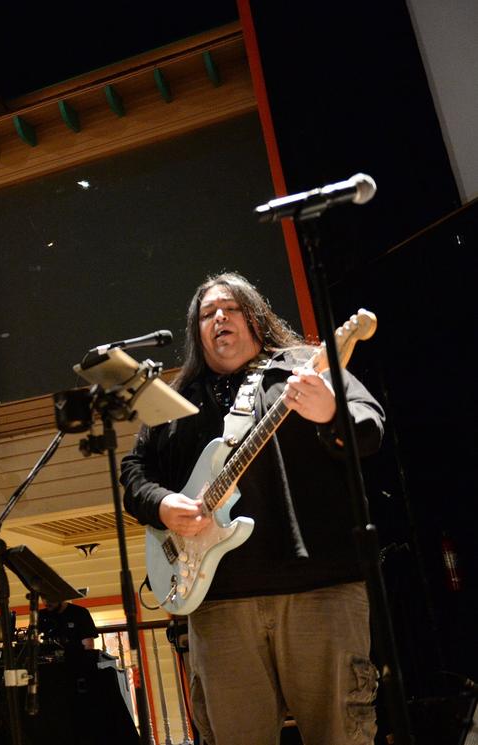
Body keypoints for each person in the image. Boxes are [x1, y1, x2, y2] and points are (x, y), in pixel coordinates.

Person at [119, 271, 384, 745]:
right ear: (196, 333)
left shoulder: (307, 366)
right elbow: (135, 472)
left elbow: (369, 429)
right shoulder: (175, 400)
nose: (218, 317)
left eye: (231, 308)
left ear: (256, 318)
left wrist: (330, 413)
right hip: (217, 600)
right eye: (206, 313)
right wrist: (161, 505)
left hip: (319, 587)